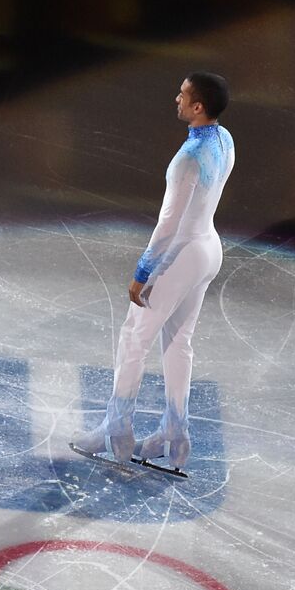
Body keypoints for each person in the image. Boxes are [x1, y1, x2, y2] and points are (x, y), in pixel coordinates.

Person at [74, 72, 235, 471]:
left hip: (180, 254)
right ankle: (175, 436)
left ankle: (116, 431)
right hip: (208, 249)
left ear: (199, 107)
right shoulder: (225, 138)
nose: (175, 99)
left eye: (182, 95)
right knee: (179, 342)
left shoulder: (187, 160)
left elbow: (168, 224)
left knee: (134, 338)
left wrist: (143, 271)